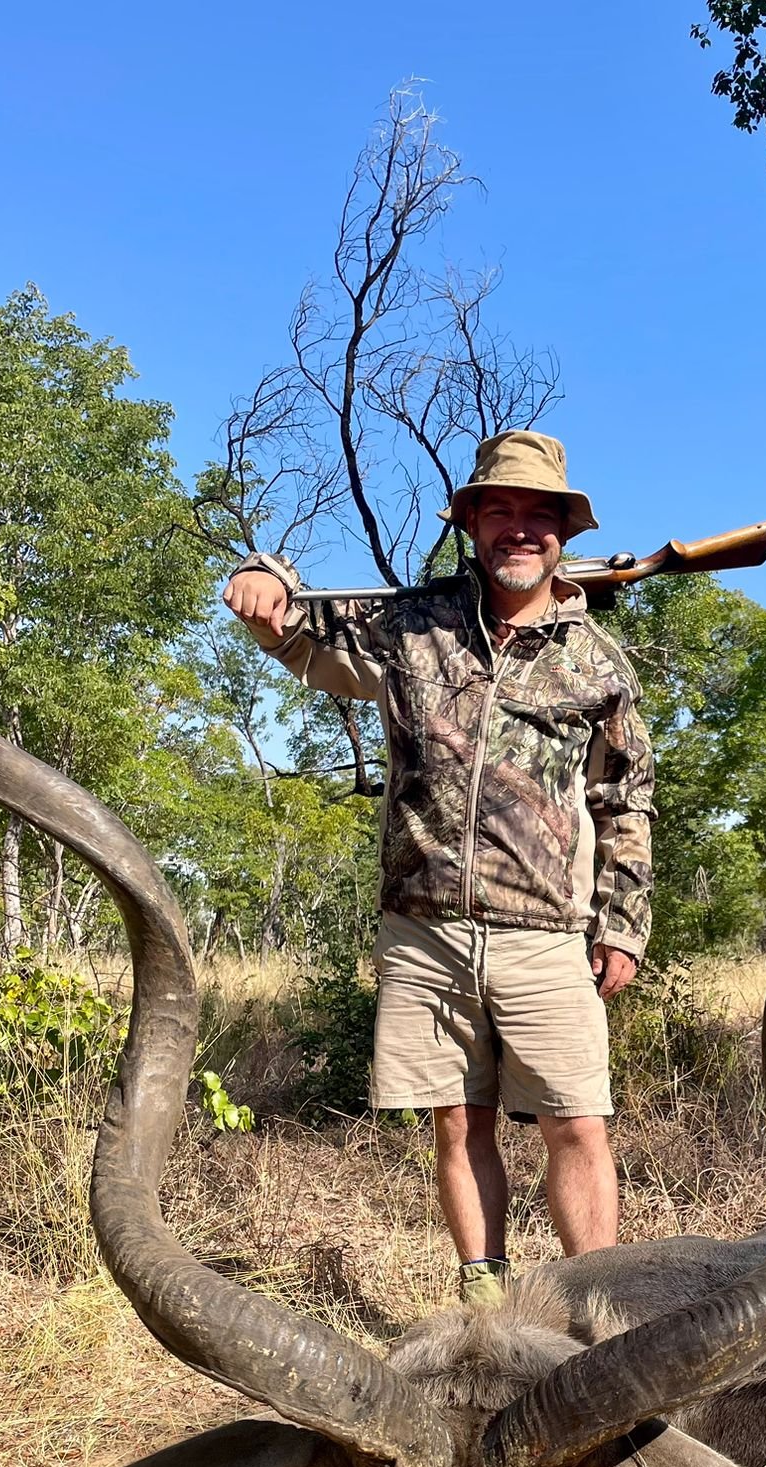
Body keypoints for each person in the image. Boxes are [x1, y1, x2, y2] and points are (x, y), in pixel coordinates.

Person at [222, 430, 654, 1305]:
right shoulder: (411, 627)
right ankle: (485, 1303)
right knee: (459, 1123)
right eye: (503, 511)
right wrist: (263, 572)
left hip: (549, 934)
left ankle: (598, 1316)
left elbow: (626, 800)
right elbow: (299, 628)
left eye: (541, 515)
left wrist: (624, 924)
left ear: (564, 532)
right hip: (424, 931)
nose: (521, 530)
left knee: (577, 1124)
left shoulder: (598, 662)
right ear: (472, 524)